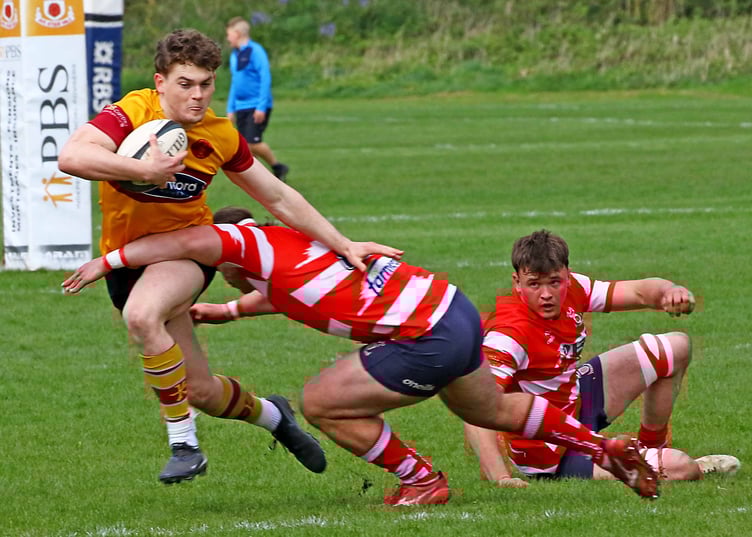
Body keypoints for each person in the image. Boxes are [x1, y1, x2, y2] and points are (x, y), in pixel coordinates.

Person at [63, 207, 661, 504]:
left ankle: (421, 481)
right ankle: (600, 446)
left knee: (321, 400)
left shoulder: (240, 239)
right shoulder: (290, 245)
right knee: (496, 411)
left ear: (232, 247)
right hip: (449, 307)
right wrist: (227, 312)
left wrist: (107, 261)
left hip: (425, 336)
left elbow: (186, 240)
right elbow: (286, 294)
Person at [57, 29, 400, 484]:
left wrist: (344, 244)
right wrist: (146, 169)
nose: (197, 96)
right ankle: (276, 418)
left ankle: (184, 445)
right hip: (125, 257)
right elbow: (72, 156)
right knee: (199, 389)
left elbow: (278, 197)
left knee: (141, 317)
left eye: (206, 83)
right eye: (185, 84)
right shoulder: (131, 113)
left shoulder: (220, 135)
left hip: (188, 251)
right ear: (160, 81)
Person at [463, 229, 739, 488]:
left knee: (676, 346)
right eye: (534, 284)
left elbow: (638, 291)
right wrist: (501, 477)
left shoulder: (574, 289)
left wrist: (669, 291)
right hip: (552, 449)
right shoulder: (508, 334)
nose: (546, 294)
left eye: (554, 282)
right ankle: (665, 462)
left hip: (576, 400)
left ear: (567, 276)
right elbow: (476, 408)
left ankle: (652, 447)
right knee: (682, 467)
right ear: (517, 282)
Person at [225, 16, 289, 181]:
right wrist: (231, 108)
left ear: (238, 33)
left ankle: (277, 166)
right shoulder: (235, 55)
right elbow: (235, 82)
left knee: (252, 143)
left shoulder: (256, 51)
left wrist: (261, 106)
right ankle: (259, 178)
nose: (227, 38)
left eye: (229, 34)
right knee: (246, 145)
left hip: (256, 105)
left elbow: (265, 78)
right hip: (241, 106)